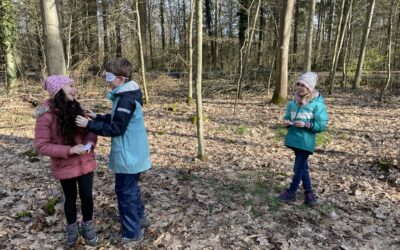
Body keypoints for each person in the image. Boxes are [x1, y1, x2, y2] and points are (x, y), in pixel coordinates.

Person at [75, 57, 151, 246]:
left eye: (108, 76)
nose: (106, 80)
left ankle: (132, 233)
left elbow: (117, 129)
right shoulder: (126, 95)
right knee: (131, 189)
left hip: (129, 156)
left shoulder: (125, 99)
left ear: (121, 79)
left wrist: (89, 124)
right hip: (135, 154)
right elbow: (117, 119)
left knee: (125, 192)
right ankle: (139, 219)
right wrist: (98, 116)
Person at [34, 75, 99, 247]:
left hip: (85, 163)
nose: (74, 89)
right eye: (70, 86)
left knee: (87, 196)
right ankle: (72, 228)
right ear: (58, 90)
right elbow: (41, 145)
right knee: (70, 199)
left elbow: (90, 129)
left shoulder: (77, 108)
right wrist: (69, 150)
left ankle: (88, 224)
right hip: (64, 166)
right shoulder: (45, 115)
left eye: (74, 85)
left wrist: (90, 142)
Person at [277, 72, 328, 207]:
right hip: (294, 139)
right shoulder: (293, 102)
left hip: (305, 141)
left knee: (298, 168)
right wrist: (287, 122)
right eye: (299, 84)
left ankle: (291, 192)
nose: (300, 87)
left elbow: (321, 125)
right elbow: (287, 115)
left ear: (310, 88)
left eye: (304, 85)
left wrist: (307, 125)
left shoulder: (317, 105)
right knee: (303, 168)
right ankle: (309, 194)